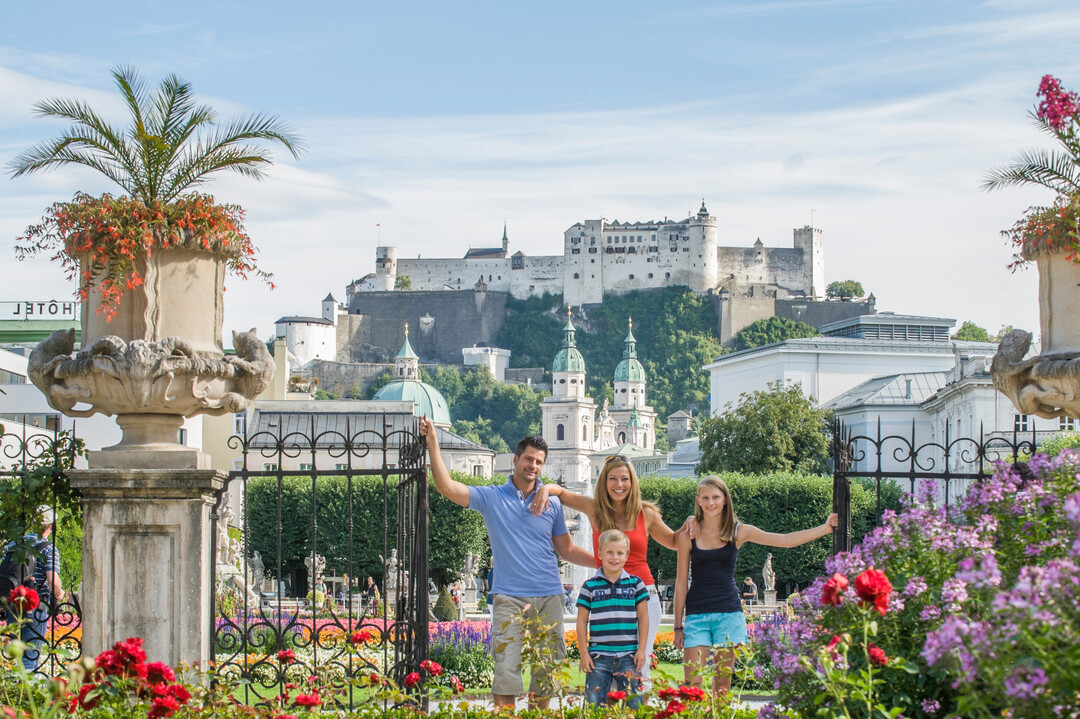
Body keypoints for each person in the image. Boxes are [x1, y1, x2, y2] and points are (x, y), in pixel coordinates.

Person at [421, 417, 595, 709]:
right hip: (509, 597)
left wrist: (605, 562)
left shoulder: (551, 502)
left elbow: (566, 550)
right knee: (506, 671)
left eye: (539, 462)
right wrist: (433, 444)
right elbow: (447, 487)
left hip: (550, 596)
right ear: (515, 459)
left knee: (547, 674)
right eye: (529, 459)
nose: (533, 466)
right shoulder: (491, 497)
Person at [530, 454, 691, 687]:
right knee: (606, 665)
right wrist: (545, 489)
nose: (619, 484)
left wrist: (690, 521)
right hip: (605, 595)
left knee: (639, 666)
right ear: (604, 481)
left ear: (632, 482)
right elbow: (563, 494)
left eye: (624, 479)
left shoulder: (646, 514)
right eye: (613, 478)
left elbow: (676, 541)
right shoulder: (594, 508)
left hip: (641, 593)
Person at [673, 476, 837, 694]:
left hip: (729, 615)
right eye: (705, 498)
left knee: (722, 687)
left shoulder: (738, 531)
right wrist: (677, 626)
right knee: (692, 686)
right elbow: (681, 583)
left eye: (715, 497)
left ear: (724, 500)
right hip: (697, 615)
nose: (710, 502)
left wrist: (825, 529)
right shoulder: (688, 535)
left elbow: (785, 540)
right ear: (698, 500)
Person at [576, 529, 648, 709]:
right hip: (598, 656)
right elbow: (581, 621)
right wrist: (584, 654)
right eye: (609, 552)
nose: (614, 557)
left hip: (629, 655)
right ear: (600, 554)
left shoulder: (636, 584)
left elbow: (643, 617)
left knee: (634, 705)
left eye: (619, 553)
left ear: (626, 556)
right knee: (594, 705)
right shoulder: (589, 586)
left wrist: (641, 650)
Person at [2, 506, 65, 671]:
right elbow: (53, 581)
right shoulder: (48, 547)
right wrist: (59, 594)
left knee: (16, 654)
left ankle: (15, 690)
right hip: (34, 604)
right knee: (30, 653)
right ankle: (26, 692)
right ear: (51, 525)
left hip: (12, 602)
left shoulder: (13, 545)